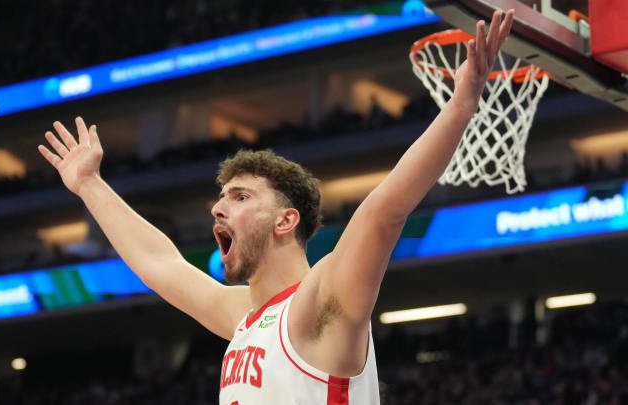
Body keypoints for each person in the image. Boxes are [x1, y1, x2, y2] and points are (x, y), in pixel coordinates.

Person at [37, 11, 514, 404]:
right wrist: (89, 185)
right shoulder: (243, 315)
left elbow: (383, 213)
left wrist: (459, 108)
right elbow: (159, 261)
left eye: (240, 197)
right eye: (220, 198)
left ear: (287, 220)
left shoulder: (323, 298)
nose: (218, 209)